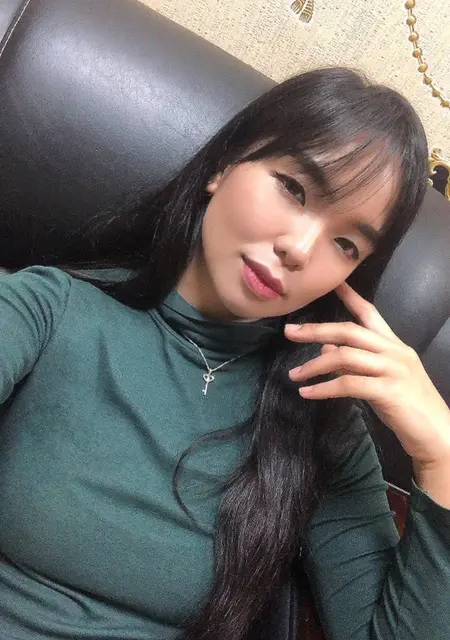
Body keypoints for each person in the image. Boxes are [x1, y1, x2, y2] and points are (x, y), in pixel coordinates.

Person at [0, 67, 448, 640]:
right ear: (223, 165)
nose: (299, 249)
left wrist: (441, 457)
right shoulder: (50, 311)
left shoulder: (319, 414)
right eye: (294, 189)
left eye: (345, 243)